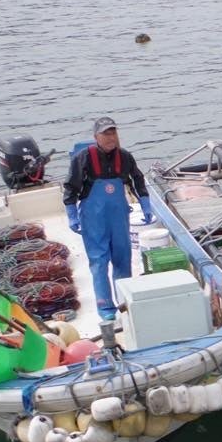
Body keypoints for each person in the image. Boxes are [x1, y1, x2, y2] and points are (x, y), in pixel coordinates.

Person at [62, 116, 155, 321]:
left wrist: (145, 204)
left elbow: (137, 180)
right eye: (106, 133)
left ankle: (125, 301)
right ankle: (105, 307)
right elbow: (71, 187)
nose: (110, 137)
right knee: (99, 261)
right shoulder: (83, 158)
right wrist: (72, 215)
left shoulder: (125, 157)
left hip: (118, 216)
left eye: (113, 132)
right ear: (96, 136)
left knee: (123, 259)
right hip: (94, 218)